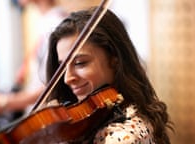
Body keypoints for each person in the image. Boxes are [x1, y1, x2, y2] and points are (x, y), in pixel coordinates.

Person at [41, 7, 173, 143]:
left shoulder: (121, 137)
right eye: (62, 67)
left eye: (80, 63)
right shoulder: (109, 115)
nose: (67, 78)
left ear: (114, 60)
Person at [0, 0, 67, 116]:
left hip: (47, 116)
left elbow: (52, 87)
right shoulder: (46, 21)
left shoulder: (55, 24)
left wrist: (4, 102)